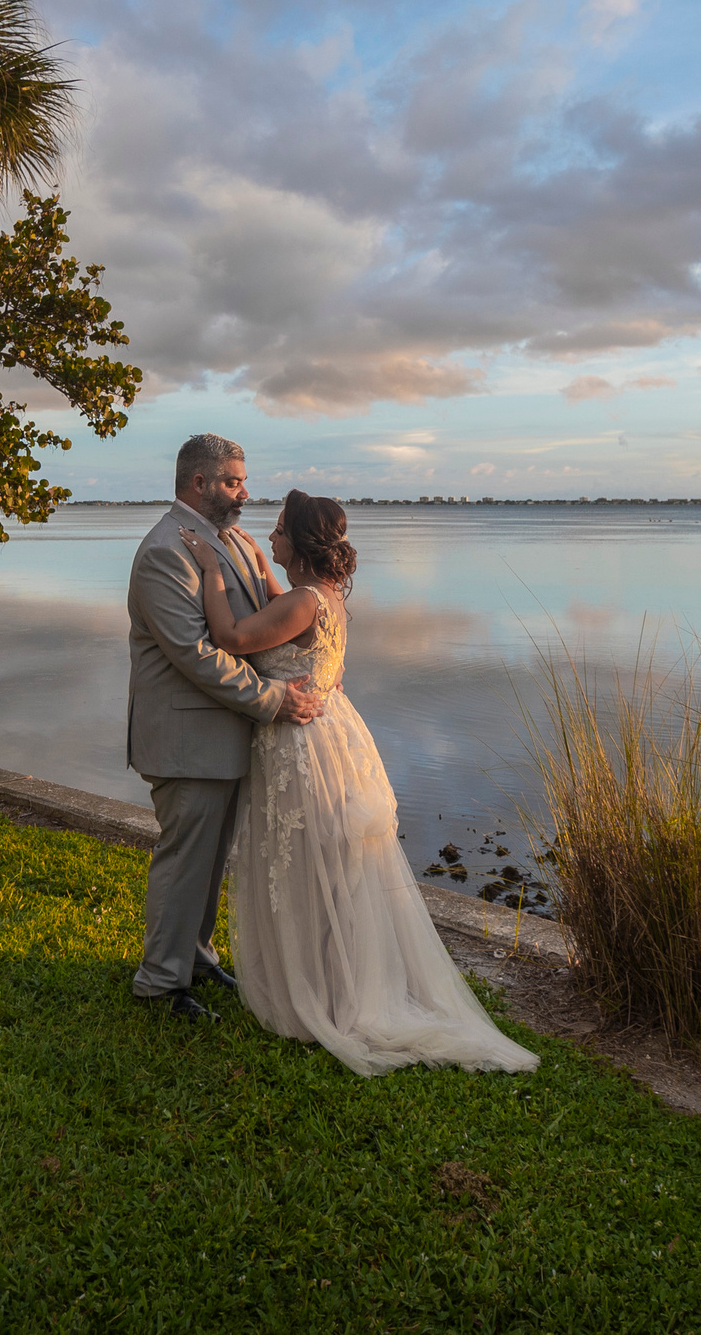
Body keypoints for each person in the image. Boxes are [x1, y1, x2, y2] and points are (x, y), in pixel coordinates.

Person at [177, 491, 539, 1077]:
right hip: (330, 734)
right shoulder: (321, 599)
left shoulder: (302, 602)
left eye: (276, 532)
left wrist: (214, 569)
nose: (269, 537)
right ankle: (327, 978)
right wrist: (255, 561)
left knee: (302, 863)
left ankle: (319, 992)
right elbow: (280, 605)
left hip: (300, 744)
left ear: (298, 541)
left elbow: (235, 639)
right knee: (321, 862)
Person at [125, 434, 325, 1020]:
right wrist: (272, 701)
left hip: (222, 734)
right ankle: (160, 984)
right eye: (234, 481)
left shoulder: (226, 541)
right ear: (198, 484)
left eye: (241, 480)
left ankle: (196, 957)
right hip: (186, 736)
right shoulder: (166, 550)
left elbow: (257, 621)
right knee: (185, 859)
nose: (244, 491)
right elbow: (193, 652)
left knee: (211, 859)